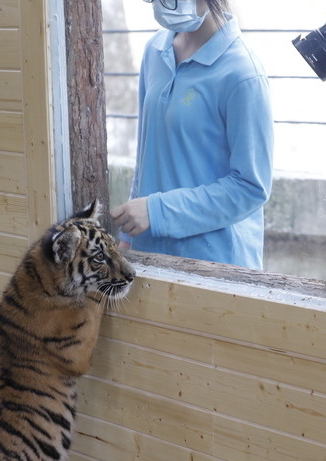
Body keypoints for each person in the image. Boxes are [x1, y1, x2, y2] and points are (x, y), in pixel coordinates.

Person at [111, 0, 273, 268]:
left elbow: (251, 188)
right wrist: (127, 234)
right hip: (149, 254)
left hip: (216, 266)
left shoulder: (244, 76)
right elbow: (147, 154)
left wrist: (156, 211)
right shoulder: (155, 51)